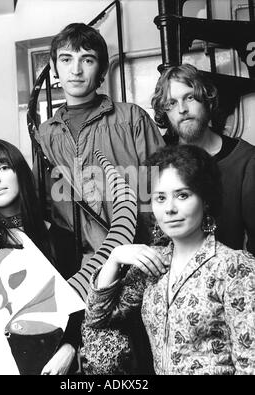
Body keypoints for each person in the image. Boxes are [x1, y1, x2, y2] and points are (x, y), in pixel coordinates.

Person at [85, 144, 255, 375]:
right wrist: (114, 258)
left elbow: (250, 363)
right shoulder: (153, 262)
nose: (170, 209)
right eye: (160, 198)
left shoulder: (235, 267)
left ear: (205, 200)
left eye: (182, 195)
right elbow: (97, 317)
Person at [35, 22, 164, 276]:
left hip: (141, 261)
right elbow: (44, 205)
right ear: (54, 68)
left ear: (102, 68)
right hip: (83, 268)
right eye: (66, 59)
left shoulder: (131, 119)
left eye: (87, 60)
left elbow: (163, 187)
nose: (76, 70)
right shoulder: (45, 134)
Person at [0, 139, 81, 375]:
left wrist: (69, 347)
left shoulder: (61, 241)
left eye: (3, 167)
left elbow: (77, 310)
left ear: (20, 173)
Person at [151, 63, 255, 256]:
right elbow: (145, 229)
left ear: (207, 100)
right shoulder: (153, 159)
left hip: (227, 276)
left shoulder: (246, 159)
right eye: (171, 103)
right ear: (164, 112)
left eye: (190, 97)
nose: (182, 109)